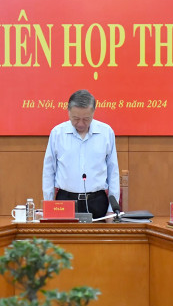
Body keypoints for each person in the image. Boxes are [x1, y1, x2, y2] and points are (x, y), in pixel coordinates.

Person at [42, 89, 119, 220]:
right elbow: (49, 171)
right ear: (68, 112)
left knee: (98, 240)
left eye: (86, 119)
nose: (81, 124)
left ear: (93, 112)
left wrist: (111, 210)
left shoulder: (106, 133)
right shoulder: (57, 133)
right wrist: (49, 205)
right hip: (65, 201)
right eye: (76, 119)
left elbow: (113, 171)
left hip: (97, 201)